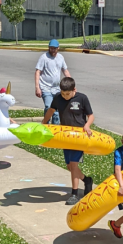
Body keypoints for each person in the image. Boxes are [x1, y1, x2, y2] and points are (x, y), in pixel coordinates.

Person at [42, 77, 94, 205]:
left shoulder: (82, 98)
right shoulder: (58, 98)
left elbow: (91, 115)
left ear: (74, 90)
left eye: (67, 94)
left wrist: (87, 126)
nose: (65, 96)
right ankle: (87, 180)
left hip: (78, 138)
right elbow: (51, 110)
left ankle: (74, 194)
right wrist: (44, 122)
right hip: (65, 137)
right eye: (63, 93)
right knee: (70, 167)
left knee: (74, 165)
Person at [35, 39, 71, 125]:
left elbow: (65, 71)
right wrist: (37, 87)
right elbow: (38, 72)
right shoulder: (44, 57)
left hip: (57, 88)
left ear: (58, 48)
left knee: (57, 109)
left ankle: (55, 128)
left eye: (54, 48)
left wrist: (71, 84)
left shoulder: (60, 57)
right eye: (51, 48)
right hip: (45, 87)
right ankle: (45, 125)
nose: (52, 50)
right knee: (48, 106)